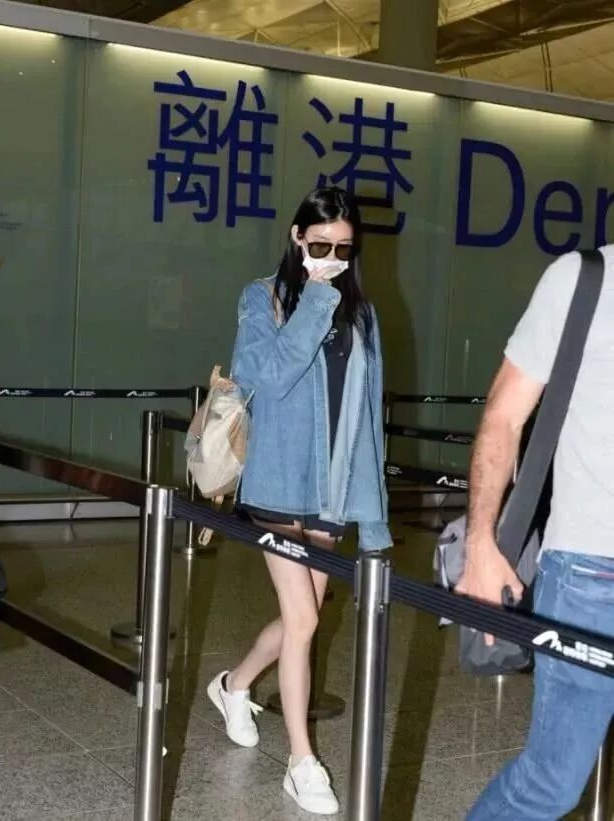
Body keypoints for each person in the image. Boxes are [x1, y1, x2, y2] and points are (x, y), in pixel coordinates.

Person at [207, 186, 392, 815]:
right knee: (307, 622)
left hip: (333, 492)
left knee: (297, 620)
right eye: (320, 245)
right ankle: (301, 762)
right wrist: (315, 297)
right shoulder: (261, 298)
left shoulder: (363, 316)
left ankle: (234, 685)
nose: (332, 259)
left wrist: (374, 521)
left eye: (343, 249)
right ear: (296, 237)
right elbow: (267, 377)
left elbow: (369, 420)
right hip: (279, 485)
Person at [456, 245, 614, 820]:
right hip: (592, 575)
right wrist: (481, 542)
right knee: (553, 781)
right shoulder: (583, 280)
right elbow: (503, 416)